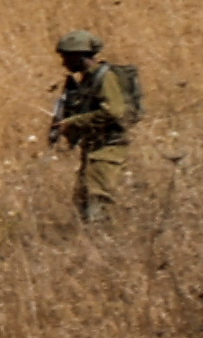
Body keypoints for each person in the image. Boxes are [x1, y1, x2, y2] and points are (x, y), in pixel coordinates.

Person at [50, 29, 142, 224]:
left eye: (67, 57)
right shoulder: (88, 79)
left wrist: (73, 122)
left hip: (108, 150)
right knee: (82, 206)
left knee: (98, 208)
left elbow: (113, 111)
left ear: (79, 55)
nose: (63, 63)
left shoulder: (105, 77)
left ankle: (106, 248)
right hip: (94, 149)